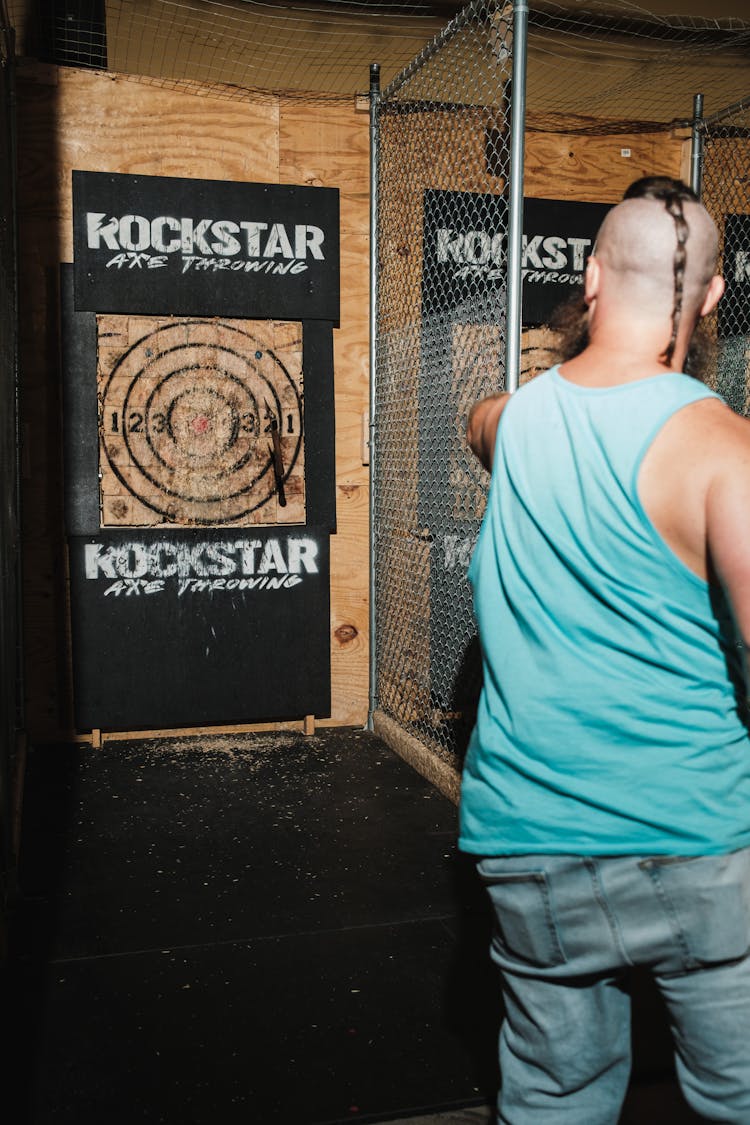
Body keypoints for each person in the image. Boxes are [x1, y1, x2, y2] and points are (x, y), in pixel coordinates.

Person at [460, 177, 750, 1123]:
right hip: (694, 837)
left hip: (528, 845)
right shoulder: (724, 449)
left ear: (589, 278)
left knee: (552, 1100)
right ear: (711, 299)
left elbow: (482, 420)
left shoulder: (512, 421)